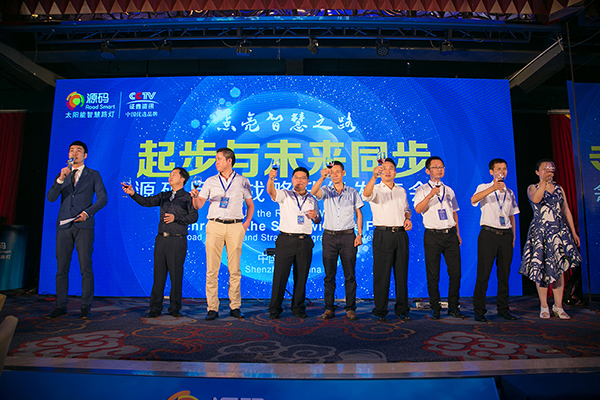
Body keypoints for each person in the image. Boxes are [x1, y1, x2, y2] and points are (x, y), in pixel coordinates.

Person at [123, 167, 198, 318]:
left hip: (177, 239)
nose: (170, 177)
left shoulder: (188, 197)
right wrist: (133, 194)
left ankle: (174, 308)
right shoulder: (164, 195)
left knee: (176, 275)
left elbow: (193, 217)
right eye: (170, 175)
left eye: (174, 175)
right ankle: (155, 308)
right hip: (161, 239)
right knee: (159, 275)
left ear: (182, 179)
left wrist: (176, 218)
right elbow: (146, 202)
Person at [46, 141, 107, 320]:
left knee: (85, 267)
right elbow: (51, 198)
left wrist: (87, 213)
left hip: (84, 226)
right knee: (61, 268)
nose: (74, 153)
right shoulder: (63, 174)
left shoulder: (93, 174)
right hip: (64, 226)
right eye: (72, 150)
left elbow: (103, 198)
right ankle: (60, 306)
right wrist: (60, 179)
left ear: (85, 155)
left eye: (78, 151)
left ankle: (85, 307)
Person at [191, 148, 254, 320]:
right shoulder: (210, 181)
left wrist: (245, 224)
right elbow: (199, 205)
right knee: (212, 270)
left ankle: (235, 306)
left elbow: (250, 205)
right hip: (215, 226)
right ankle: (212, 308)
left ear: (229, 161)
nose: (216, 162)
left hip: (235, 226)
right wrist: (194, 197)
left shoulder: (242, 181)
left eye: (219, 159)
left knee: (235, 269)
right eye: (216, 159)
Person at [519, 159, 582, 319]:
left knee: (559, 268)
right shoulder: (533, 187)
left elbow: (565, 210)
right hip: (541, 232)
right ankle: (544, 306)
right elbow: (536, 199)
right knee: (541, 269)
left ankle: (558, 306)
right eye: (545, 168)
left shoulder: (559, 189)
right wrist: (544, 182)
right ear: (537, 172)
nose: (549, 171)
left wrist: (573, 233)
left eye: (551, 168)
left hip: (558, 231)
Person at [311, 161, 364, 320]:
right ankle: (329, 308)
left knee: (350, 275)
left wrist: (359, 234)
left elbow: (359, 213)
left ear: (343, 173)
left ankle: (350, 308)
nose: (334, 175)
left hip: (348, 236)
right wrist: (322, 177)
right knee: (329, 275)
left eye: (337, 172)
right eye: (331, 172)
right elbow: (314, 192)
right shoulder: (326, 190)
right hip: (329, 237)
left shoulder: (352, 192)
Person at [267, 166, 321, 319]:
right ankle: (275, 308)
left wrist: (316, 216)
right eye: (296, 177)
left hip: (304, 242)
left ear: (307, 181)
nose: (299, 180)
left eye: (302, 178)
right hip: (286, 240)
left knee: (301, 276)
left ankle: (298, 307)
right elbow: (271, 192)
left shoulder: (312, 199)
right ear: (292, 180)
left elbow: (318, 220)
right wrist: (271, 179)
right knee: (280, 276)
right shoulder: (285, 195)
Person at [414, 156, 464, 320]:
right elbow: (418, 209)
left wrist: (457, 233)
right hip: (432, 235)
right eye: (435, 167)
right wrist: (430, 195)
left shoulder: (449, 190)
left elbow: (454, 212)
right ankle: (435, 307)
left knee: (455, 273)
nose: (439, 169)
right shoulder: (422, 189)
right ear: (428, 171)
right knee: (433, 274)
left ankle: (453, 306)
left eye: (441, 166)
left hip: (450, 234)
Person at [362, 158, 412, 322]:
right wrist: (373, 177)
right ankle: (380, 311)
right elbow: (366, 196)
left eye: (391, 168)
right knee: (381, 274)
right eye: (384, 168)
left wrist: (407, 218)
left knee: (401, 273)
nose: (388, 171)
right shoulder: (376, 188)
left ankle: (402, 310)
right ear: (380, 172)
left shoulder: (401, 190)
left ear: (395, 172)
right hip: (383, 234)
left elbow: (406, 209)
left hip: (400, 234)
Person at [471, 158, 520, 322]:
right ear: (491, 171)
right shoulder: (484, 187)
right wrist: (493, 188)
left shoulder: (509, 192)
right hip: (488, 235)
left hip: (506, 235)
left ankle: (503, 309)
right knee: (483, 274)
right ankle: (479, 310)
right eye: (498, 169)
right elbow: (473, 200)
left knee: (504, 275)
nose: (502, 171)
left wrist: (513, 236)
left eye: (504, 169)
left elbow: (511, 216)